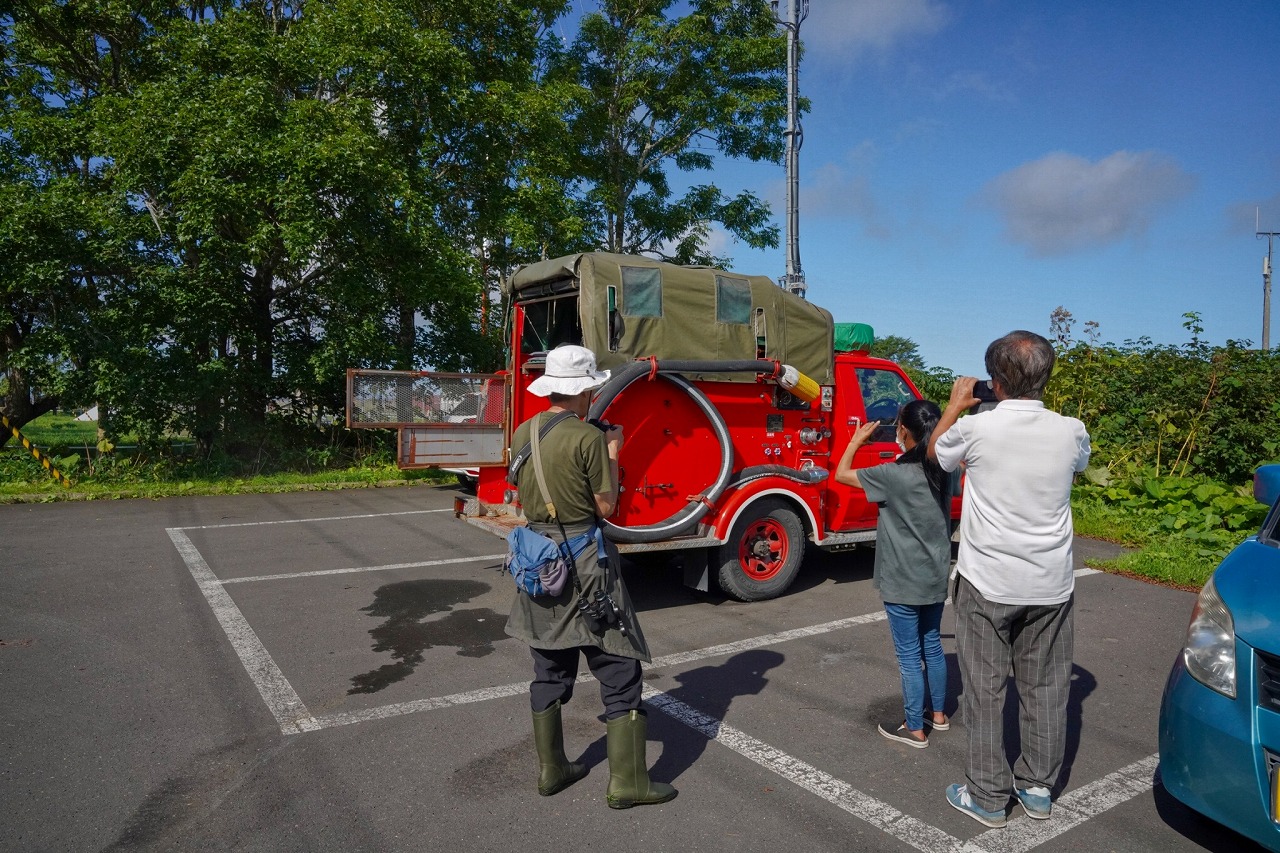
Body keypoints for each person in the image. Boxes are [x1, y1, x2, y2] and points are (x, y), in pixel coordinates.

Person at [927, 330, 1091, 828]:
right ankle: (1037, 788)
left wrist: (955, 406)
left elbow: (934, 456)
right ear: (1046, 377)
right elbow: (1077, 466)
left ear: (995, 383)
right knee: (1046, 688)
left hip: (987, 581)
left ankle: (987, 796)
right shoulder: (1071, 430)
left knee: (985, 690)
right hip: (1051, 581)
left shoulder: (976, 430)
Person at [504, 344, 677, 810]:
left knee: (549, 665)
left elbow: (519, 498)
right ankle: (628, 784)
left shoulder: (524, 432)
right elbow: (605, 507)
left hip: (538, 559)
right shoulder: (589, 439)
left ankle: (553, 769)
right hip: (584, 562)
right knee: (618, 666)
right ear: (585, 390)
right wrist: (613, 452)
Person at [835, 400, 952, 749]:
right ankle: (939, 715)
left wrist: (856, 441)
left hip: (902, 579)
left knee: (908, 656)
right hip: (934, 574)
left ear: (904, 430)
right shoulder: (944, 472)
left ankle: (914, 727)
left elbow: (841, 474)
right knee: (931, 644)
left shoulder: (892, 474)